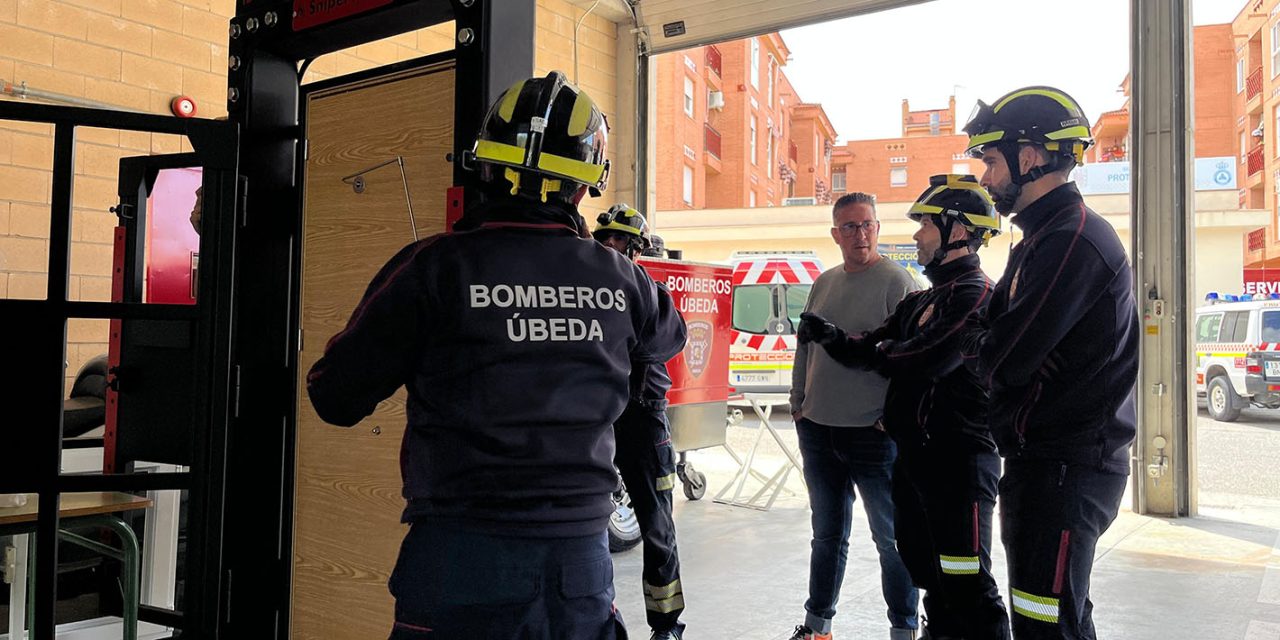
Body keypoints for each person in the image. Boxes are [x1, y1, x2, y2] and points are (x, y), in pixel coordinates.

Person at [306, 71, 687, 640]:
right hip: (578, 563)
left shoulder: (433, 267)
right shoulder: (624, 280)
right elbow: (670, 338)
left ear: (483, 167)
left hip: (459, 559)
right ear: (584, 187)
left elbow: (334, 396)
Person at [959, 87, 1139, 640]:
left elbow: (1000, 358)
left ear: (1030, 157)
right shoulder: (1041, 238)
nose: (986, 179)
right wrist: (987, 345)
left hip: (1065, 469)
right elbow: (984, 335)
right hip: (1044, 465)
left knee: (1047, 623)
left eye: (990, 161)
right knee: (1048, 616)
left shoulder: (1072, 240)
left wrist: (989, 349)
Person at [798, 175, 1011, 640]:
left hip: (959, 462)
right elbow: (872, 343)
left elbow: (926, 358)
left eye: (926, 226)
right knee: (930, 574)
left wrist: (876, 351)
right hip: (918, 461)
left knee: (968, 582)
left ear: (957, 232)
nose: (916, 235)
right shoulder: (923, 298)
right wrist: (834, 338)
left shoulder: (975, 294)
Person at [788, 192, 921, 640]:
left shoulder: (897, 282)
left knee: (892, 540)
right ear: (835, 234)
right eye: (849, 226)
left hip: (873, 435)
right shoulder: (823, 282)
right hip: (820, 431)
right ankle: (816, 627)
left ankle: (903, 629)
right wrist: (798, 403)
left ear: (878, 228)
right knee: (826, 536)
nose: (859, 234)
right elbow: (805, 347)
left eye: (866, 225)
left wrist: (893, 417)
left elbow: (911, 359)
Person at [593, 204, 687, 640]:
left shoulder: (648, 291)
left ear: (636, 249)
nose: (612, 247)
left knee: (656, 525)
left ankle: (666, 625)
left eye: (621, 241)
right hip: (597, 418)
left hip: (644, 422)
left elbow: (671, 337)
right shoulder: (585, 290)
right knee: (589, 520)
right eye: (605, 239)